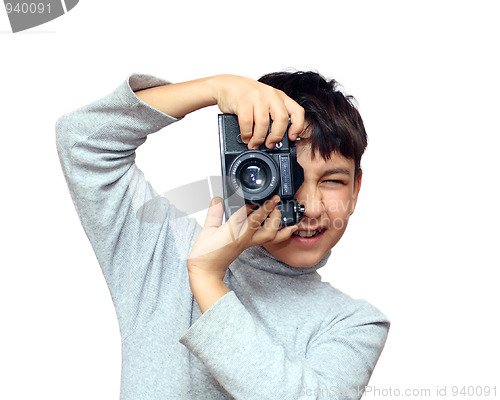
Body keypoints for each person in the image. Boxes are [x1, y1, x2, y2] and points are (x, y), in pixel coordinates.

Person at [56, 71, 389, 400]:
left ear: (356, 190)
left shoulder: (356, 325)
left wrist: (207, 280)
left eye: (333, 181)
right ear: (245, 170)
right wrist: (215, 87)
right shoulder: (163, 256)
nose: (312, 206)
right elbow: (83, 140)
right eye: (290, 177)